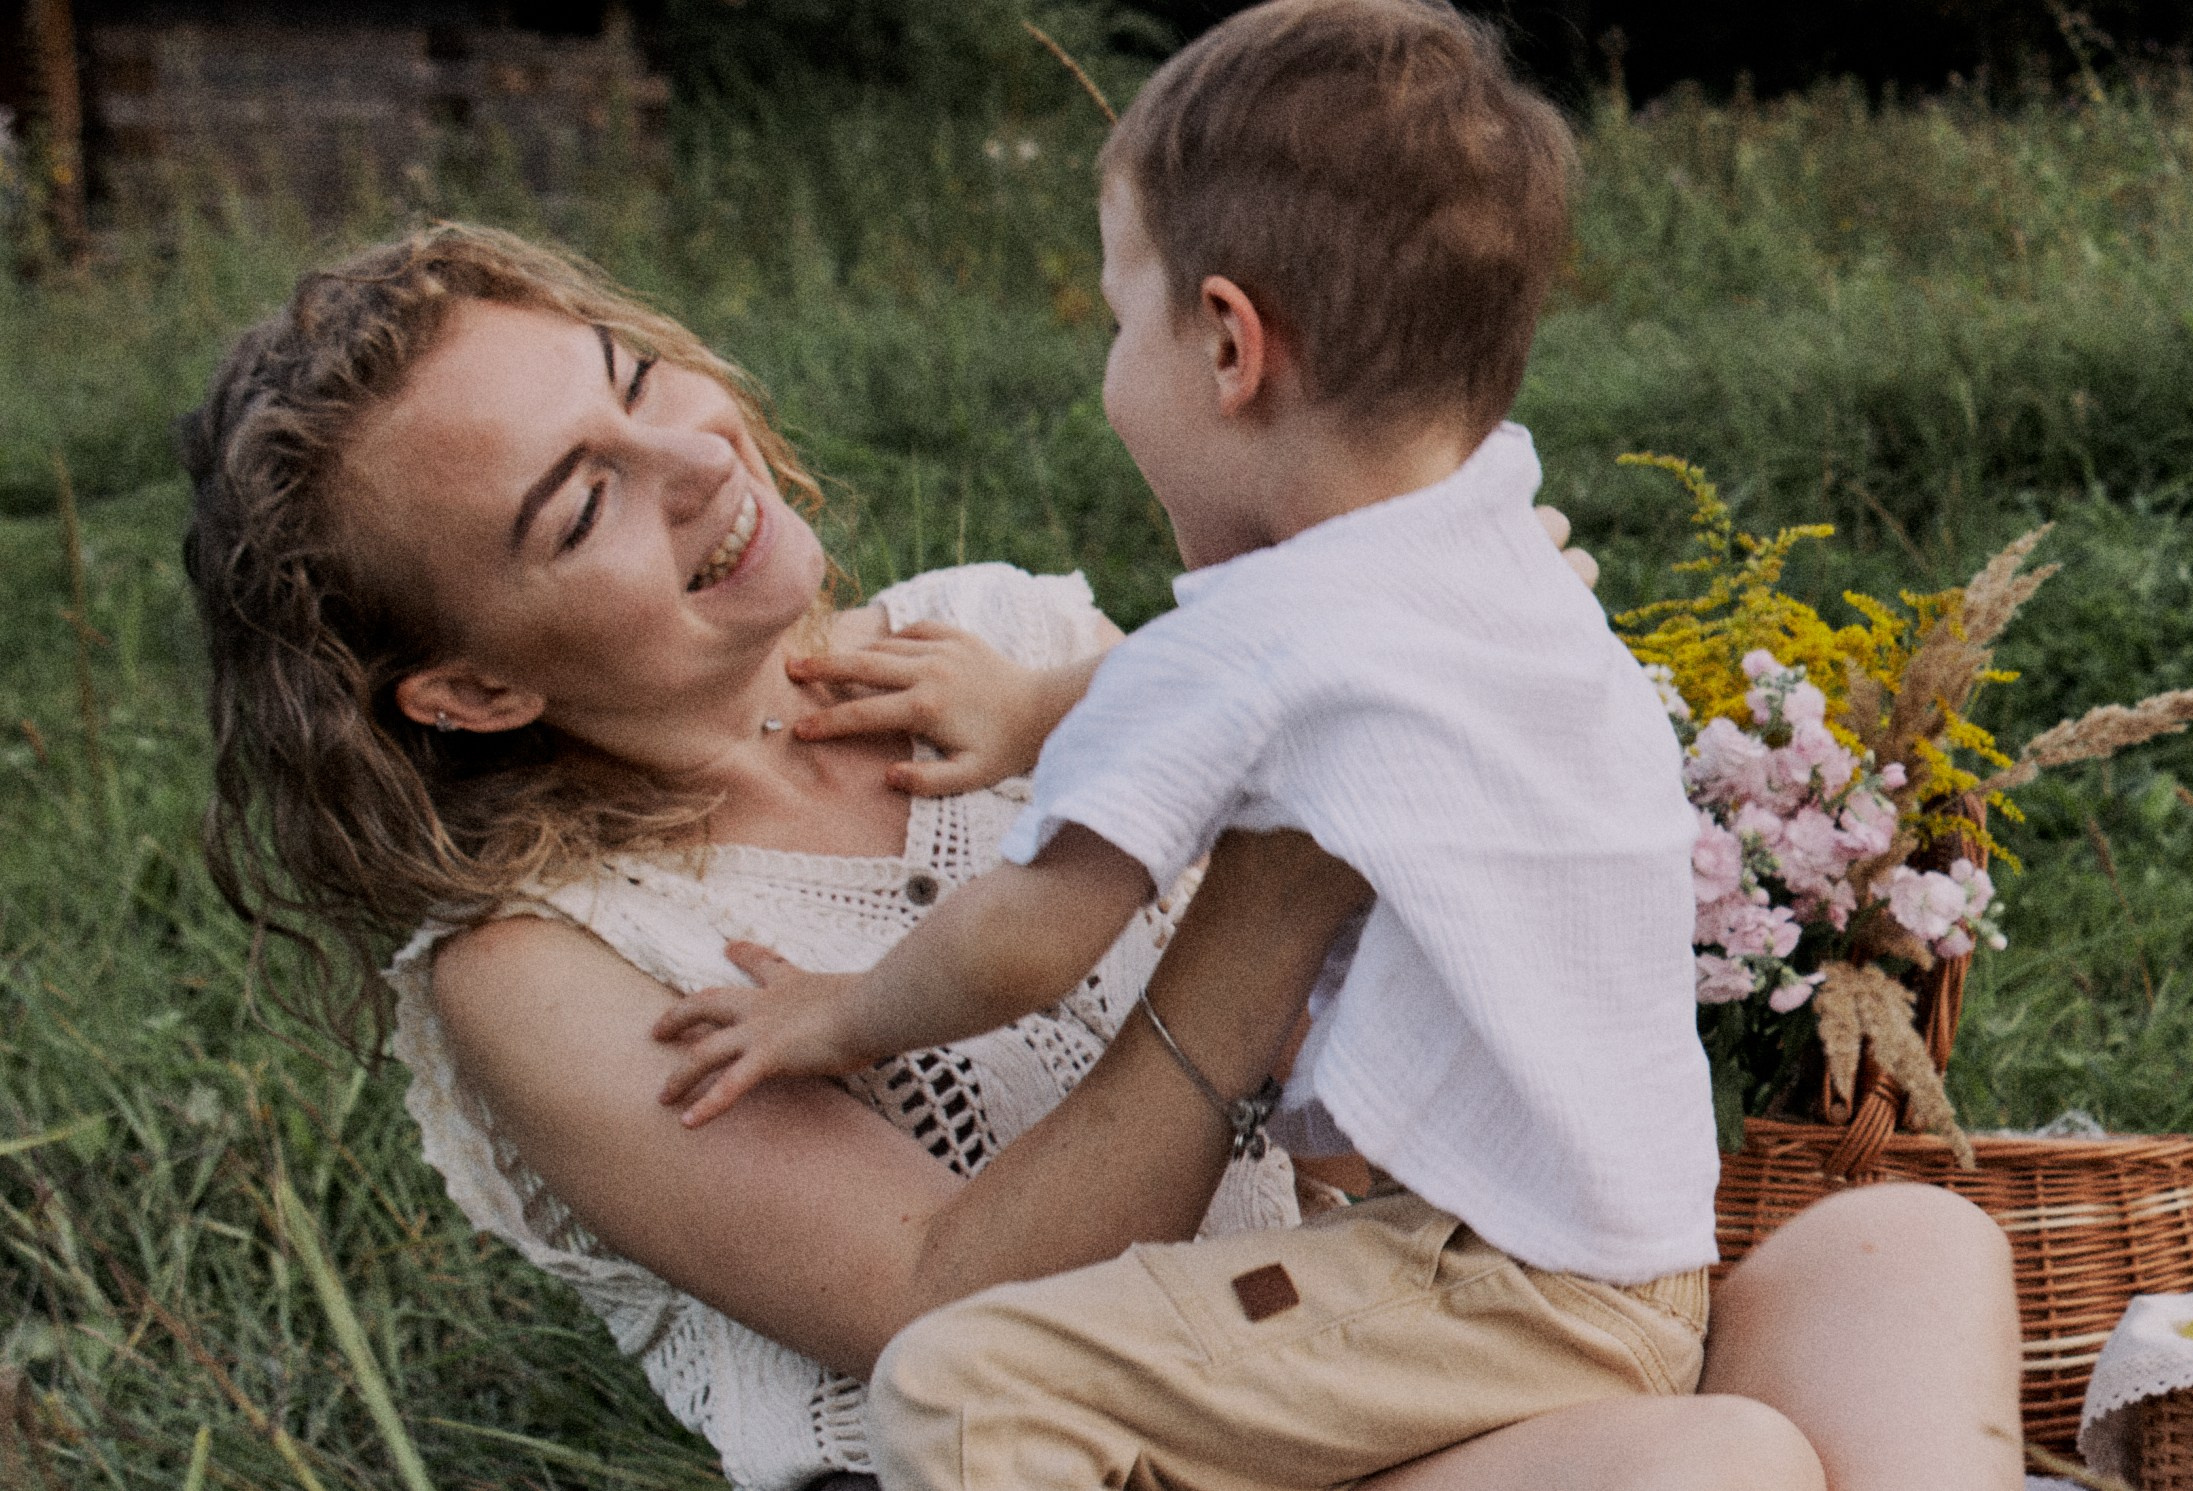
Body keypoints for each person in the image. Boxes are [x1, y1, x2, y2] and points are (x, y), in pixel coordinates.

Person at [180, 216, 2020, 1491]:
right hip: (1116, 1452)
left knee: (1902, 1253)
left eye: (635, 376)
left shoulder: (991, 638)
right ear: (476, 686)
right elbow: (946, 1319)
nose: (685, 460)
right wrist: (1290, 866)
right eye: (579, 503)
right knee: (1722, 1462)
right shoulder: (551, 969)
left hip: (1359, 1339)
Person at [639, 4, 1725, 1487]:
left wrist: (837, 1019)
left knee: (963, 1393)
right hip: (1637, 1265)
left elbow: (1030, 938)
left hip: (1498, 1287)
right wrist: (1030, 711)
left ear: (1227, 341)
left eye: (1115, 316)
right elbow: (1268, 674)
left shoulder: (1262, 644)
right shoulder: (1486, 530)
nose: (1108, 368)